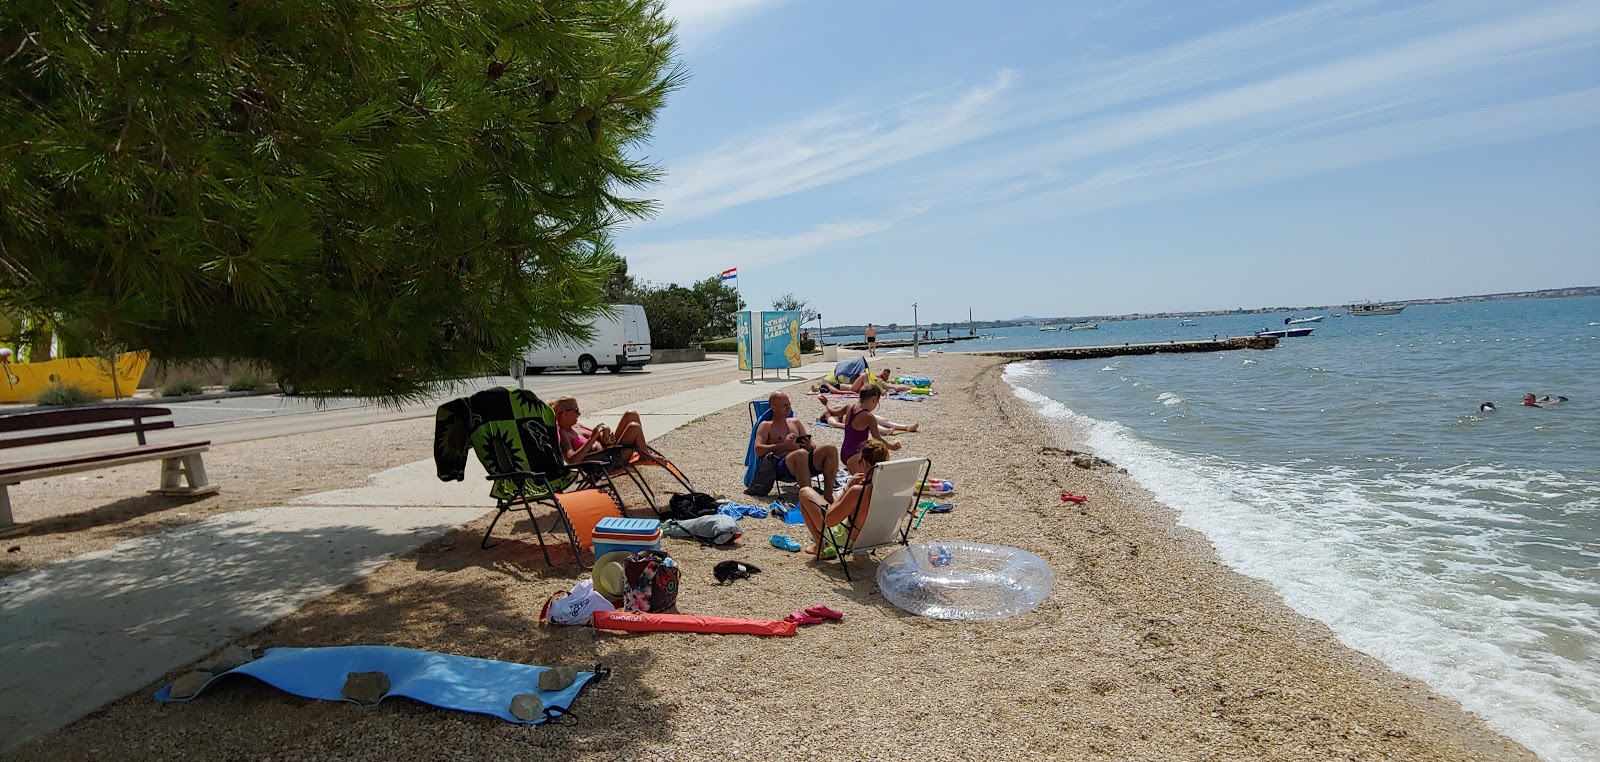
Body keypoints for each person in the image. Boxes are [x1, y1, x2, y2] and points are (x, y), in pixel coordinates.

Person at [797, 439, 891, 558]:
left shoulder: (857, 491)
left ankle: (819, 546)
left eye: (860, 461)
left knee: (804, 492)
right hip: (878, 537)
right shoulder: (892, 488)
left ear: (866, 463)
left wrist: (847, 489)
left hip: (849, 540)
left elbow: (830, 521)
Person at [755, 392, 840, 501]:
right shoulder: (766, 425)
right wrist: (783, 445)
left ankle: (828, 495)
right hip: (783, 466)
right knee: (801, 454)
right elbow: (758, 450)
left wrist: (809, 445)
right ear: (774, 408)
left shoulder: (795, 423)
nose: (788, 407)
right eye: (784, 405)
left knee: (830, 448)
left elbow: (812, 445)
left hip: (804, 460)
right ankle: (810, 500)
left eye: (789, 404)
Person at [552, 396, 649, 465]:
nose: (579, 414)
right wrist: (592, 438)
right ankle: (646, 457)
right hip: (607, 463)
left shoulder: (577, 425)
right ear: (565, 413)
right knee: (634, 427)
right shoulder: (564, 435)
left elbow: (598, 436)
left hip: (611, 451)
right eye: (576, 410)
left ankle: (645, 453)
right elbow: (572, 461)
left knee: (631, 414)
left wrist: (604, 438)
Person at [837, 385, 901, 469]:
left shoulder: (850, 407)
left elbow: (832, 412)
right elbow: (877, 438)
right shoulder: (869, 417)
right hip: (856, 455)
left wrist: (826, 403)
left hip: (844, 451)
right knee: (866, 480)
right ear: (874, 399)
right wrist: (892, 447)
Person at [818, 394, 919, 435]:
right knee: (872, 423)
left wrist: (831, 406)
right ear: (824, 417)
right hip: (851, 418)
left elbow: (842, 406)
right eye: (824, 413)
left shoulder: (834, 411)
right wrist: (848, 427)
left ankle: (906, 427)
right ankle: (885, 431)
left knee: (883, 420)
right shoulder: (830, 418)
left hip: (858, 412)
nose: (825, 412)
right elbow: (837, 425)